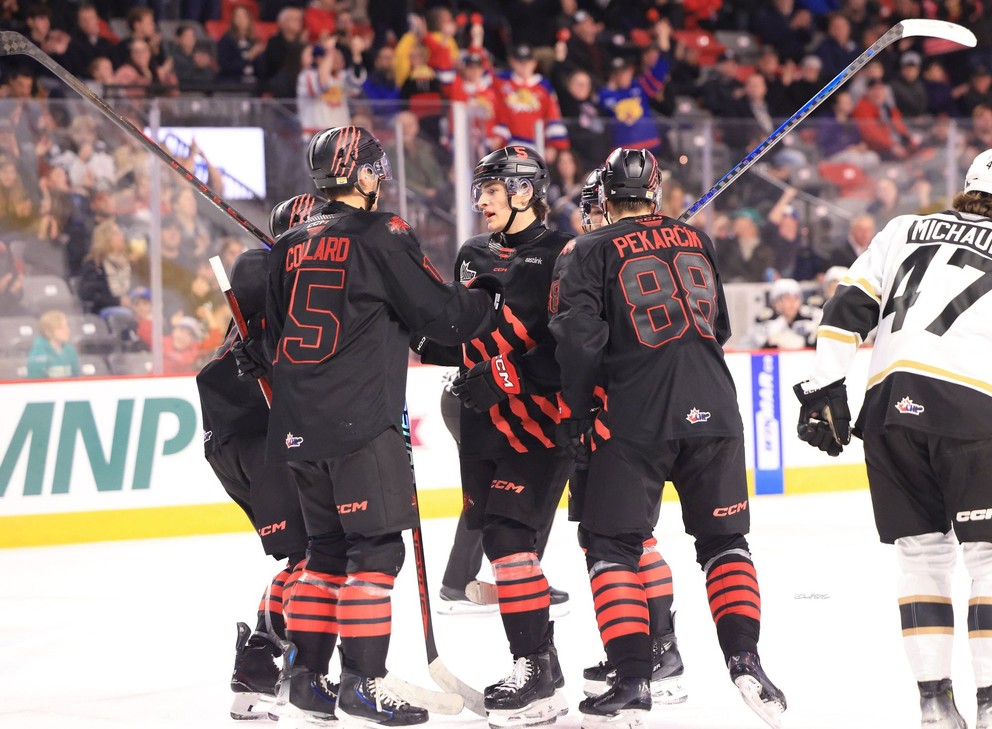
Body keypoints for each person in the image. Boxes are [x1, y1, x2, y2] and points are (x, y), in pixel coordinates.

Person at [262, 125, 502, 727]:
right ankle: (362, 683)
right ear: (365, 174)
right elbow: (444, 318)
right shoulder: (383, 233)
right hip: (359, 422)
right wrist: (492, 293)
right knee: (375, 551)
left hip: (295, 424)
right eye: (376, 170)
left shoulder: (287, 243)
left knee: (324, 552)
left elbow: (272, 334)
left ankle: (308, 680)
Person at [549, 148, 786, 729]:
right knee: (725, 544)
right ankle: (746, 662)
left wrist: (577, 414)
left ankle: (631, 680)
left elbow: (578, 341)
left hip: (638, 416)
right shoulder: (696, 239)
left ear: (604, 196)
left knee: (612, 548)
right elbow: (719, 327)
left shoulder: (588, 249)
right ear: (656, 193)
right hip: (717, 407)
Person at [794, 148, 992, 729]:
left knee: (922, 557)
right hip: (973, 408)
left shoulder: (904, 228)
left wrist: (825, 386)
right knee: (987, 558)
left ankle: (934, 703)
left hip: (888, 408)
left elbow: (847, 305)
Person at [412, 145, 572, 726]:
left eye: (490, 190)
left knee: (516, 536)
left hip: (539, 419)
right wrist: (423, 338)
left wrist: (504, 373)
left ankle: (547, 666)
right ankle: (542, 666)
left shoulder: (563, 254)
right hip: (480, 414)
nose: (479, 201)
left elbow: (567, 345)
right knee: (496, 532)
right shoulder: (472, 253)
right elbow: (467, 331)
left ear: (525, 192)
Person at [570, 167, 688, 707]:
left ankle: (655, 651)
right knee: (610, 538)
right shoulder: (600, 250)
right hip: (618, 413)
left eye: (593, 204)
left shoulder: (596, 252)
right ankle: (642, 649)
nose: (589, 213)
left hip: (618, 417)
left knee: (620, 539)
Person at [196, 243, 309, 721]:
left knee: (310, 554)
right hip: (259, 447)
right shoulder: (270, 306)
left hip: (231, 446)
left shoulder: (248, 310)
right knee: (321, 554)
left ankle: (264, 666)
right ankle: (275, 659)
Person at [747, 278, 821, 350]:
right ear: (776, 302)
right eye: (787, 298)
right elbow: (764, 346)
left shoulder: (809, 315)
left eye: (796, 298)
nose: (793, 303)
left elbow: (818, 339)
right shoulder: (766, 318)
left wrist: (803, 341)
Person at [27, 309, 80, 379]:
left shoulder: (70, 351)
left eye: (67, 326)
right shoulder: (38, 353)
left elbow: (75, 377)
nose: (67, 330)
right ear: (48, 331)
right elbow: (35, 381)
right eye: (61, 328)